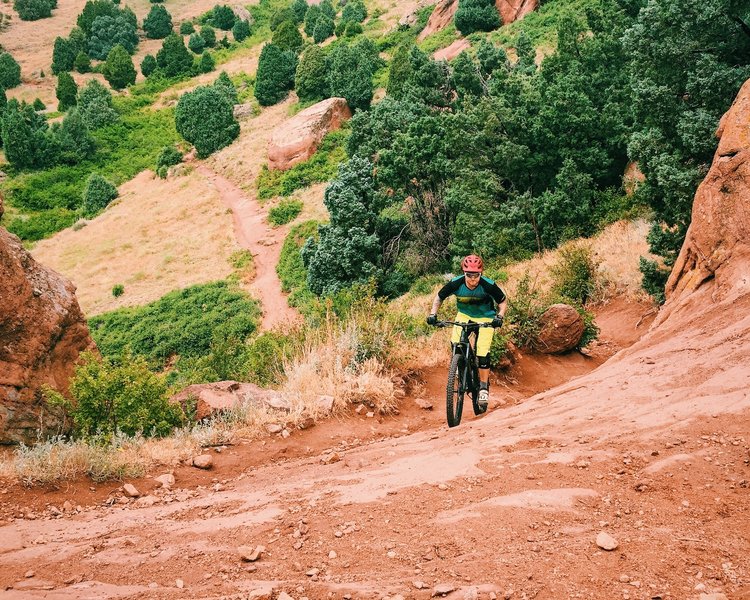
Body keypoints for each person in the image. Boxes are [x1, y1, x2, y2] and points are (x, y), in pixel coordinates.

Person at [426, 254, 507, 408]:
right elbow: (439, 297)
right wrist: (432, 314)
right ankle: (460, 366)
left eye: (476, 276)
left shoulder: (488, 285)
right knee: (456, 342)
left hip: (486, 318)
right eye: (469, 275)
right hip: (464, 315)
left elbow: (502, 301)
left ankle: (483, 387)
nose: (472, 279)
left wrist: (499, 316)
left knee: (482, 352)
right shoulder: (456, 283)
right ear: (464, 273)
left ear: (480, 274)